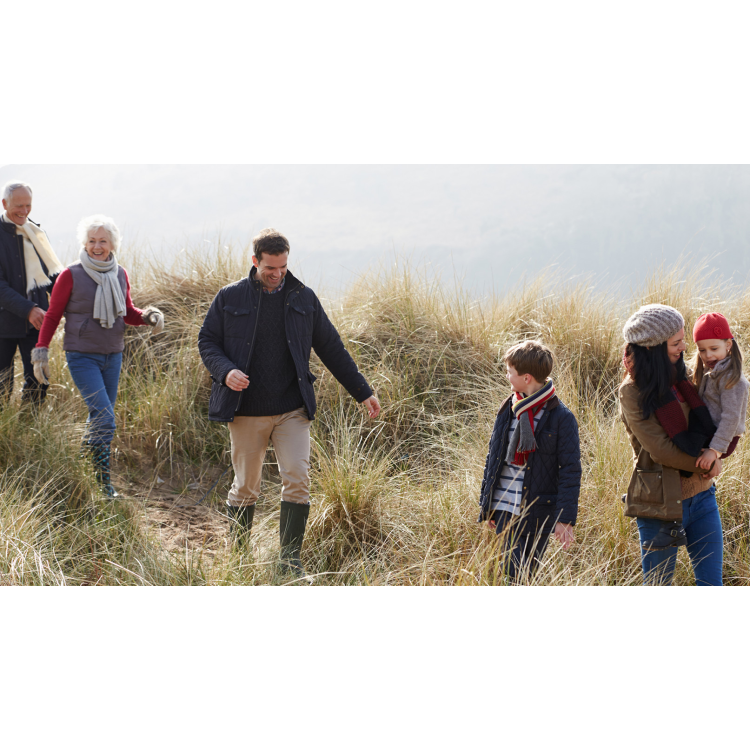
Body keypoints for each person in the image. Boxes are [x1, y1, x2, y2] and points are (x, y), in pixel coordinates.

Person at [198, 228, 380, 575]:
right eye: (270, 267)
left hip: (292, 410)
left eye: (283, 267)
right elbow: (207, 340)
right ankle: (239, 559)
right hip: (245, 410)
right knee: (246, 487)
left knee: (298, 478)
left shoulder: (304, 298)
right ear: (255, 261)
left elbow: (331, 348)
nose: (277, 274)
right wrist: (225, 371)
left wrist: (363, 392)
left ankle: (289, 561)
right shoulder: (230, 297)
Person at [31, 215, 164, 497]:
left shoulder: (120, 274)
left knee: (98, 417)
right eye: (91, 241)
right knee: (105, 417)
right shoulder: (70, 274)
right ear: (85, 243)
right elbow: (53, 315)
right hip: (81, 356)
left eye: (103, 241)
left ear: (112, 244)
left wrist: (148, 316)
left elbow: (127, 312)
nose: (97, 246)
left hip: (113, 355)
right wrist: (41, 350)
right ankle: (103, 482)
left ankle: (81, 469)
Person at [620, 304, 723, 585]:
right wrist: (707, 463)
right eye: (676, 343)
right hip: (659, 505)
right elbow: (661, 450)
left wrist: (716, 452)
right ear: (652, 347)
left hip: (703, 496)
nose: (684, 347)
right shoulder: (632, 391)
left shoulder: (682, 376)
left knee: (712, 582)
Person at [478, 340, 581, 581]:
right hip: (504, 508)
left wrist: (565, 518)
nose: (506, 376)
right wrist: (488, 505)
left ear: (526, 378)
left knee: (524, 574)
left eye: (510, 372)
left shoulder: (561, 417)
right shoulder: (508, 408)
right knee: (512, 572)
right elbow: (493, 458)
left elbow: (570, 470)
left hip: (538, 511)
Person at [0, 181, 65, 407]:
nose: (24, 211)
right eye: (19, 206)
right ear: (4, 203)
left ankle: (28, 425)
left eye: (28, 205)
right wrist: (28, 309)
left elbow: (54, 277)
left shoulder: (37, 232)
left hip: (37, 323)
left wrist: (74, 302)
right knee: (1, 385)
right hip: (3, 323)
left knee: (39, 380)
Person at [690, 312, 748, 470]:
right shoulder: (711, 371)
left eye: (714, 348)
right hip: (709, 430)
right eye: (702, 350)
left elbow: (731, 417)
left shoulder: (731, 378)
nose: (708, 355)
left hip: (722, 436)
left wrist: (715, 451)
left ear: (728, 345)